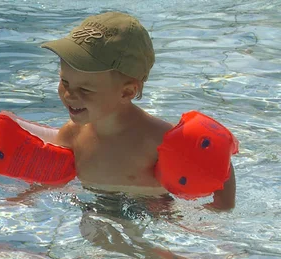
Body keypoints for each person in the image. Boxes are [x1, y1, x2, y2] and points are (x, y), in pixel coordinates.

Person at [40, 11, 236, 210]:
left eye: (85, 89)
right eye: (64, 82)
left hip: (153, 214)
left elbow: (217, 163)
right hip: (93, 207)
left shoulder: (158, 138)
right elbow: (51, 178)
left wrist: (223, 205)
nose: (69, 95)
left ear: (126, 92)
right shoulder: (72, 134)